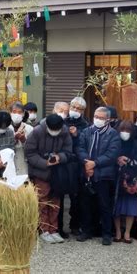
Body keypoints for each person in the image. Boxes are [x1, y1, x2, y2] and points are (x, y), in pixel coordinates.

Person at [24, 114, 73, 244]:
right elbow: (29, 153)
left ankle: (54, 229)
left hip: (58, 173)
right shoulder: (37, 132)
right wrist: (44, 163)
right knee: (42, 202)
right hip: (40, 172)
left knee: (56, 202)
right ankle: (43, 230)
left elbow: (68, 151)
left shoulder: (64, 131)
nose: (56, 132)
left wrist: (60, 157)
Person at [76, 107, 121, 246]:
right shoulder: (86, 131)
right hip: (86, 173)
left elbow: (112, 154)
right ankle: (86, 230)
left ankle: (106, 233)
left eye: (101, 118)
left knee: (104, 205)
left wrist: (94, 163)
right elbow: (79, 148)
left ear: (107, 119)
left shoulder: (113, 134)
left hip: (104, 175)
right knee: (85, 204)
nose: (97, 119)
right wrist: (86, 163)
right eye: (96, 116)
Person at [58, 97, 90, 237]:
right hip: (61, 163)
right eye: (73, 107)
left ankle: (74, 225)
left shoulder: (86, 125)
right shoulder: (62, 120)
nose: (75, 110)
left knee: (76, 198)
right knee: (58, 196)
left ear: (83, 111)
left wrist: (76, 135)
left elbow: (85, 145)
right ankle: (58, 227)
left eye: (79, 109)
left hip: (76, 165)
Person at [113, 121, 137, 244]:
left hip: (131, 179)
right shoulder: (115, 142)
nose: (125, 132)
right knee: (116, 206)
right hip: (116, 177)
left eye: (128, 130)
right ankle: (118, 231)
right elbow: (109, 155)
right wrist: (117, 159)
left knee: (130, 206)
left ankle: (127, 232)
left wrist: (129, 161)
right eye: (123, 130)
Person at [9, 102, 33, 175]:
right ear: (10, 113)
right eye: (14, 112)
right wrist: (15, 139)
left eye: (19, 112)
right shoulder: (6, 128)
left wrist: (23, 140)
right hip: (10, 167)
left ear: (23, 114)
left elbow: (33, 149)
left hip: (24, 167)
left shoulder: (29, 129)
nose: (17, 114)